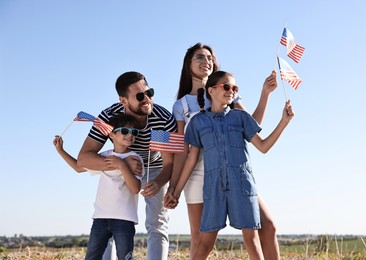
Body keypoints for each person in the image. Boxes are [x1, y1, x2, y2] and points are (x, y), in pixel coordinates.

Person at [164, 42, 281, 259]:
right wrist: (174, 187)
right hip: (197, 175)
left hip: (234, 172)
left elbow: (250, 125)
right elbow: (182, 151)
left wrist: (265, 93)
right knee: (200, 240)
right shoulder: (181, 105)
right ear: (188, 64)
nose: (205, 61)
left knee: (268, 226)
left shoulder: (228, 92)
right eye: (199, 57)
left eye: (209, 58)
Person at [77, 71, 177, 260]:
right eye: (140, 96)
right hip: (121, 164)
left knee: (157, 222)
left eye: (149, 92)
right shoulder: (109, 117)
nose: (147, 99)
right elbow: (83, 159)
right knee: (111, 217)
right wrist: (122, 164)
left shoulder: (162, 119)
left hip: (155, 167)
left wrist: (159, 181)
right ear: (123, 100)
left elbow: (169, 162)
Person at [54, 114, 143, 260]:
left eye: (134, 132)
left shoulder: (135, 158)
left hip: (124, 219)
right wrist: (61, 151)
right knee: (91, 257)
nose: (130, 135)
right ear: (112, 134)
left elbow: (135, 188)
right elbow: (78, 167)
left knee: (125, 257)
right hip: (100, 218)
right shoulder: (103, 156)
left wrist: (121, 164)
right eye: (125, 131)